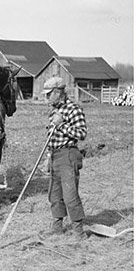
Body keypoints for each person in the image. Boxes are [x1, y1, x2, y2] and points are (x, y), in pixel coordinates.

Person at [42, 75, 88, 236]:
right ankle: (57, 228)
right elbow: (51, 137)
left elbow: (82, 133)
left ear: (58, 92)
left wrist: (61, 124)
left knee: (70, 194)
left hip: (68, 155)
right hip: (55, 156)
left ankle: (78, 231)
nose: (47, 97)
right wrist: (48, 157)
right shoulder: (54, 110)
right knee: (54, 194)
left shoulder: (73, 109)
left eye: (49, 94)